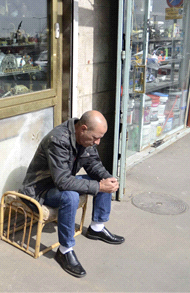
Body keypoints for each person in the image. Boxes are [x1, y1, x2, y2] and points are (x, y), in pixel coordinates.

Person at [19, 110, 124, 278]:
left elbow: (94, 164)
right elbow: (63, 182)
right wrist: (98, 186)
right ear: (83, 129)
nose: (97, 142)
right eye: (95, 138)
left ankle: (97, 228)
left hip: (60, 182)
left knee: (104, 179)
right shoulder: (58, 140)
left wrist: (107, 179)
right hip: (40, 189)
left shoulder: (86, 139)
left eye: (100, 138)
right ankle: (64, 250)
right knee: (72, 195)